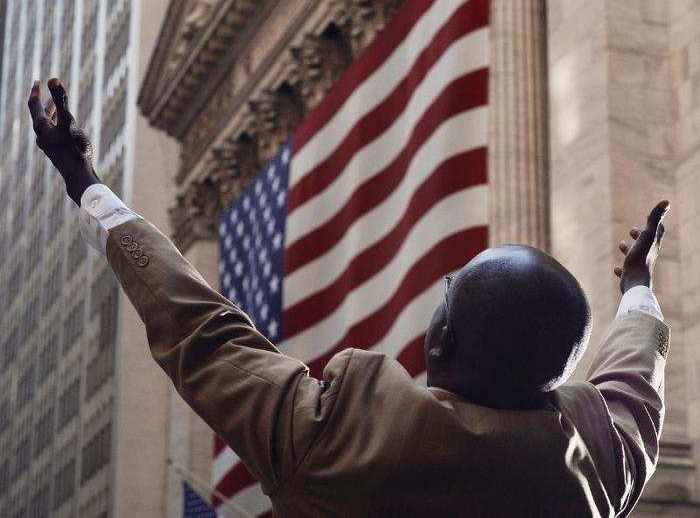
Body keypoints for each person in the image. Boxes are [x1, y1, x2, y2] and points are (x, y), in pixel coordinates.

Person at [28, 78, 670, 517]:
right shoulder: (601, 470)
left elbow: (204, 331)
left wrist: (83, 181)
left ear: (440, 338)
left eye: (450, 290)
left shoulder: (338, 440)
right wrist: (637, 290)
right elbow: (634, 380)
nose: (442, 292)